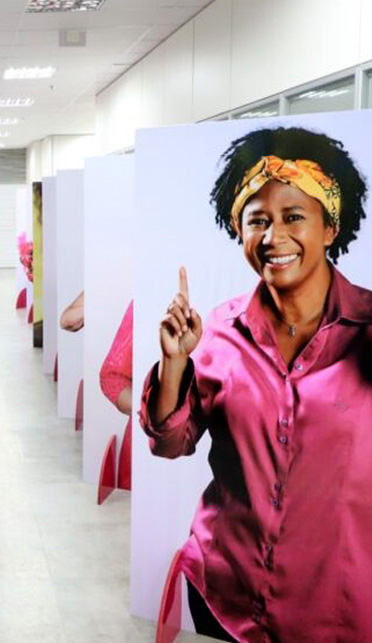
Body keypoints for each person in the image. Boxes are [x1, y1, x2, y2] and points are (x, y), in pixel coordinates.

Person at [140, 127, 372, 642]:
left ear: (330, 226)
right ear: (238, 230)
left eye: (294, 217)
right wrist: (174, 363)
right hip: (225, 594)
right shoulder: (218, 333)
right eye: (257, 221)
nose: (274, 237)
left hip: (339, 610)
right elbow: (170, 443)